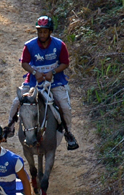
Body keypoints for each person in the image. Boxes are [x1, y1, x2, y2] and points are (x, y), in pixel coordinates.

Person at [5, 15, 79, 150]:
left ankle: (68, 133)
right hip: (33, 82)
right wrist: (34, 73)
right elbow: (24, 63)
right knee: (17, 101)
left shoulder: (60, 45)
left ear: (50, 32)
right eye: (40, 31)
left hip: (55, 82)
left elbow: (65, 63)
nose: (42, 34)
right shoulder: (29, 46)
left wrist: (54, 72)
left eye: (45, 31)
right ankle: (9, 127)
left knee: (65, 107)